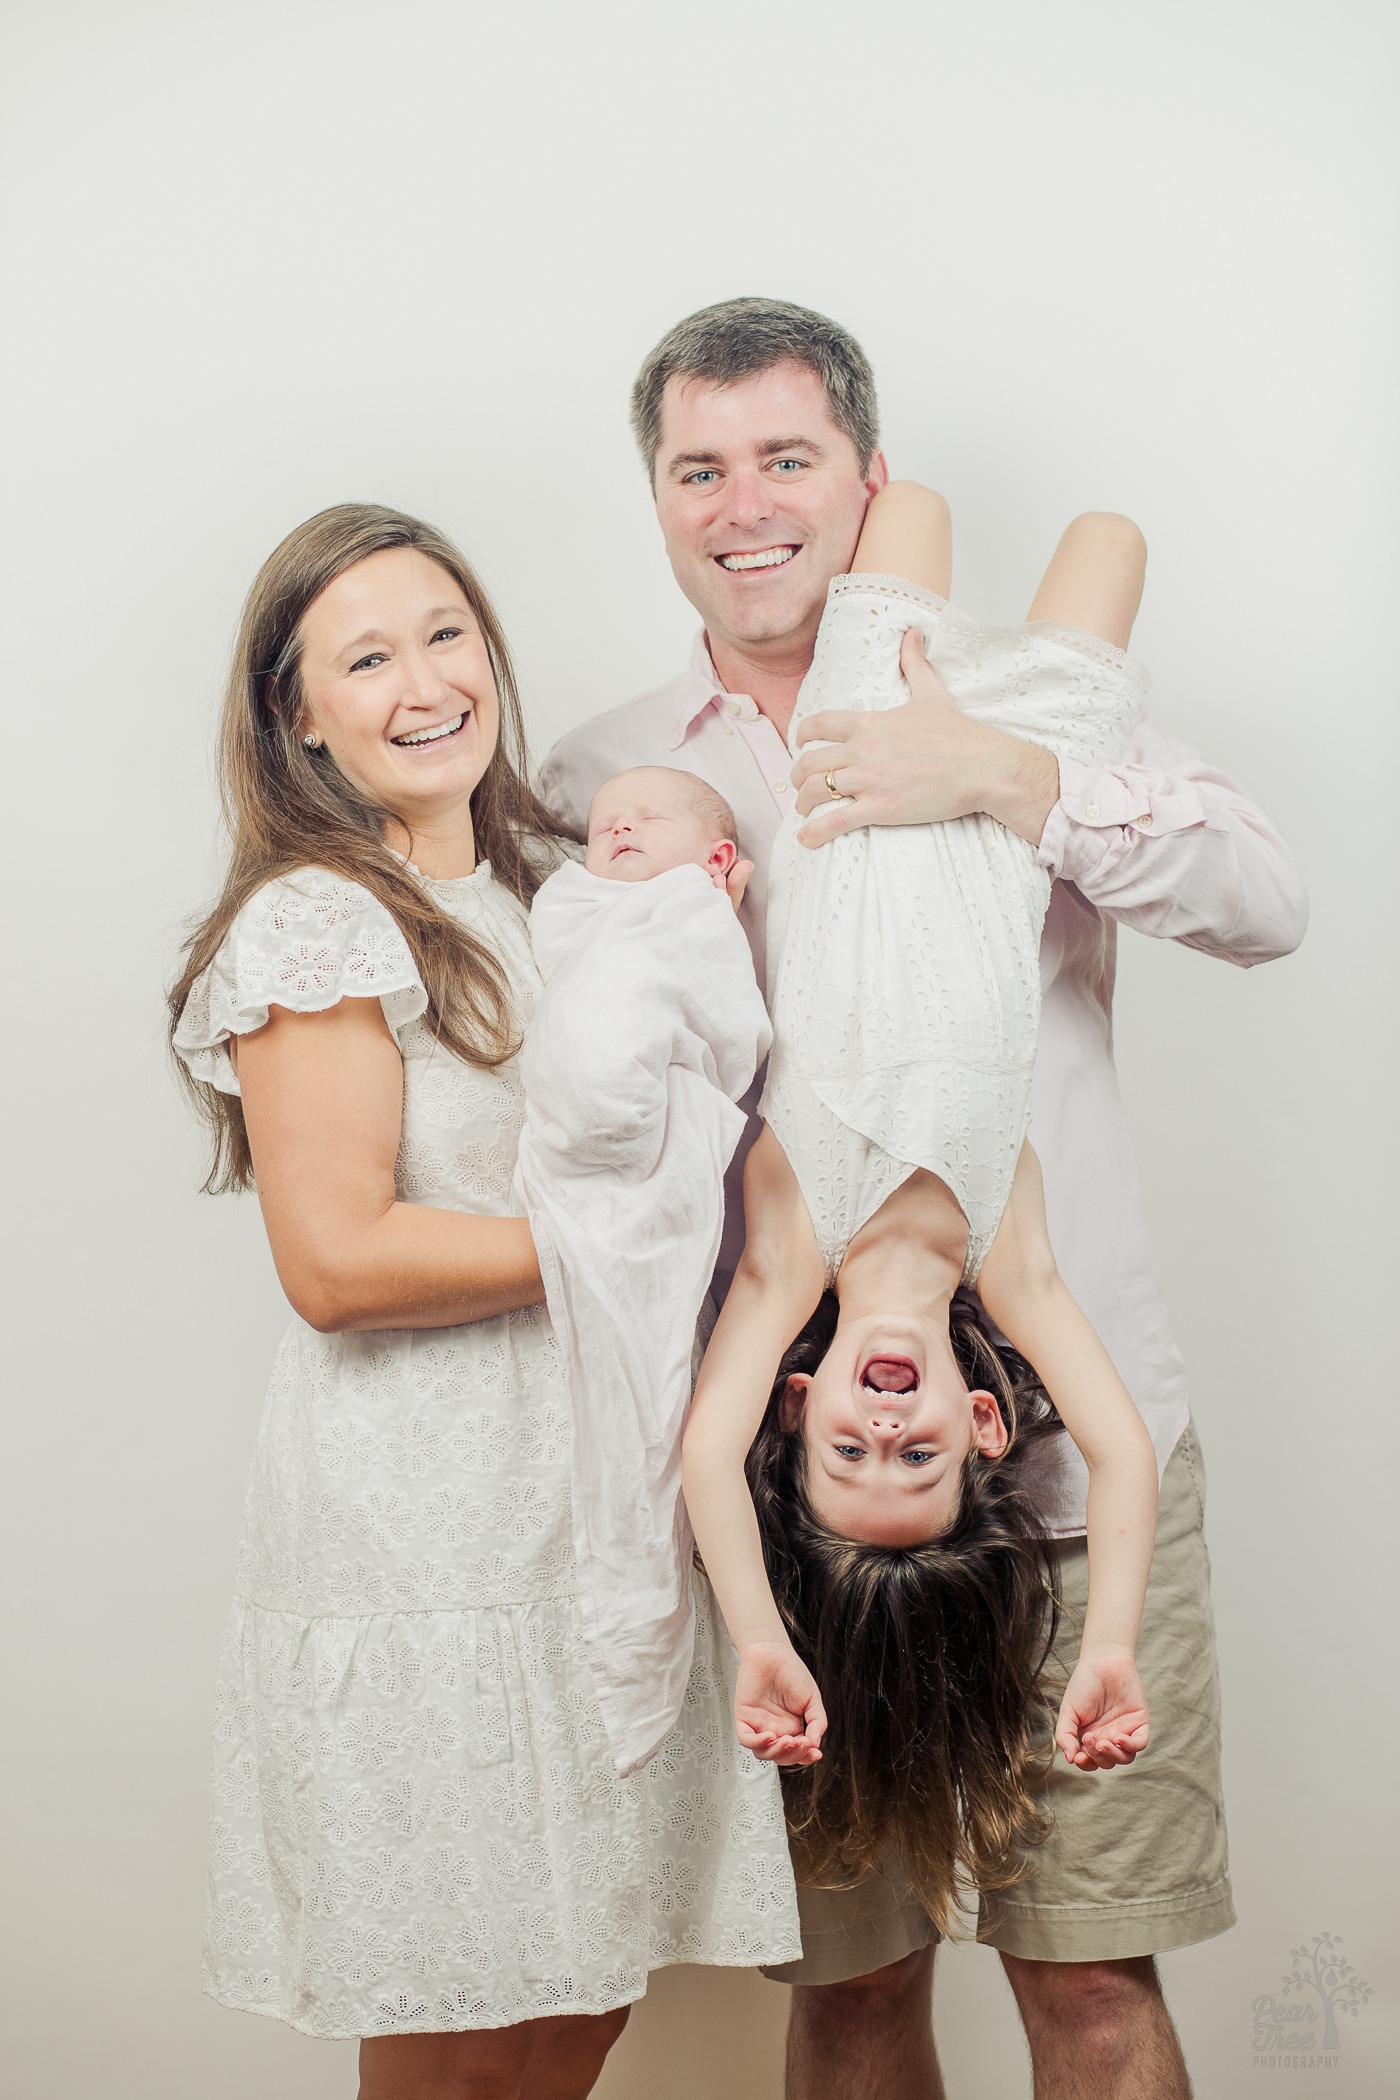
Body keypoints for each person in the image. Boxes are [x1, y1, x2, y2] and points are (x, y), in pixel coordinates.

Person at [538, 298, 1309, 2100]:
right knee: (857, 1989)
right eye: (699, 469)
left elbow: (1267, 904)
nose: (744, 506)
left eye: (788, 460)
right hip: (806, 1521)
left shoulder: (1016, 709)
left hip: (1064, 1473)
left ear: (866, 486)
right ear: (656, 497)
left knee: (1093, 1984)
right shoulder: (606, 777)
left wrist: (1001, 780)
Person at [168, 504, 799, 2100]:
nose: (425, 680)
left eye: (444, 632)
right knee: (454, 2019)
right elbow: (338, 1263)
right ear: (298, 712)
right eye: (364, 657)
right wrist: (641, 1239)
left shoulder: (557, 886)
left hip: (581, 1493)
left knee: (577, 1988)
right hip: (425, 1529)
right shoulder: (318, 917)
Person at [681, 481, 1161, 1934]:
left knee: (924, 509)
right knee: (1111, 539)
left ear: (804, 1399)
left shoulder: (787, 1256)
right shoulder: (1008, 1263)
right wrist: (1109, 1649)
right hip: (1011, 786)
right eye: (921, 1460)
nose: (888, 1432)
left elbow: (708, 1462)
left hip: (866, 750)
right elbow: (1126, 1459)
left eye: (850, 1453)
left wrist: (768, 1643)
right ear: (986, 1426)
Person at [515, 767, 769, 1777]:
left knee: (651, 1411)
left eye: (647, 816)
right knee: (625, 1420)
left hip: (641, 1131)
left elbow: (718, 1015)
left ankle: (642, 1658)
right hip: (577, 1150)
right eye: (606, 819)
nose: (617, 823)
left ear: (715, 863)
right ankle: (628, 1665)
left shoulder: (688, 916)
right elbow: (563, 975)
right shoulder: (577, 908)